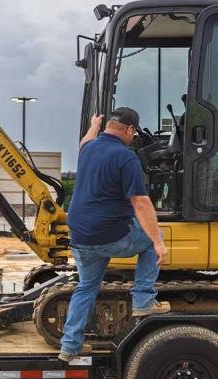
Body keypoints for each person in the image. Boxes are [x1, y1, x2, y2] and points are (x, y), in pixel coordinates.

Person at [59, 107, 170, 362]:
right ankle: (143, 300)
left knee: (86, 287)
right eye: (134, 133)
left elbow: (84, 141)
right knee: (152, 239)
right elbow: (141, 202)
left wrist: (94, 124)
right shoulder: (126, 157)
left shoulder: (88, 149)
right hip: (108, 235)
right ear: (130, 130)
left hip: (80, 236)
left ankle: (69, 347)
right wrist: (157, 243)